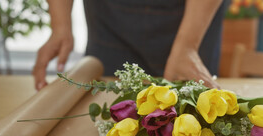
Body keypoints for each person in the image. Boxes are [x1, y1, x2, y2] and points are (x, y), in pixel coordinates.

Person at [33, 0, 224, 90]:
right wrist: (60, 25)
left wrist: (188, 45)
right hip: (108, 19)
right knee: (109, 111)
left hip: (190, 16)